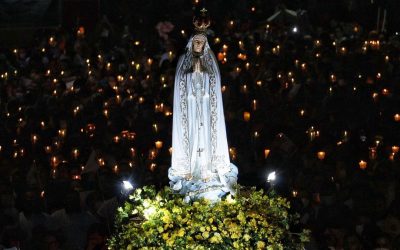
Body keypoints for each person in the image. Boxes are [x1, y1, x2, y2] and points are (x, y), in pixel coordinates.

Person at [168, 9, 237, 201]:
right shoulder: (183, 61)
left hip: (206, 110)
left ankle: (210, 170)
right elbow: (180, 81)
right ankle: (189, 170)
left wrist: (203, 73)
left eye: (202, 42)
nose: (199, 45)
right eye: (196, 42)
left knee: (207, 136)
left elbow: (214, 82)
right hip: (189, 109)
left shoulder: (210, 61)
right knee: (191, 135)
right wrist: (192, 73)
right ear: (191, 43)